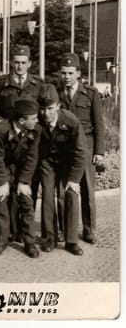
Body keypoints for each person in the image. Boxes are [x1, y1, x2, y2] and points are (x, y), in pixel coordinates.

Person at [0, 44, 43, 238]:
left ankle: (26, 232)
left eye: (23, 62)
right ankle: (11, 232)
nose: (19, 66)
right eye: (16, 62)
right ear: (11, 63)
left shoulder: (38, 84)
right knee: (9, 190)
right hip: (9, 142)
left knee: (27, 188)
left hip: (30, 142)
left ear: (29, 63)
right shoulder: (1, 84)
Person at [57, 53, 105, 244]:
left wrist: (99, 152)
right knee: (62, 192)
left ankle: (88, 229)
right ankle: (63, 229)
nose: (66, 77)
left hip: (86, 148)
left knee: (86, 190)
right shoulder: (57, 94)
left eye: (70, 73)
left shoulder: (90, 94)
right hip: (63, 149)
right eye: (63, 73)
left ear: (78, 73)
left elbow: (99, 124)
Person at [0, 99, 41, 258]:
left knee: (26, 201)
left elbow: (32, 158)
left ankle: (29, 242)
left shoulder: (35, 130)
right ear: (22, 120)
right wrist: (2, 183)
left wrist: (23, 182)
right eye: (34, 118)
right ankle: (0, 242)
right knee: (1, 200)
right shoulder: (0, 130)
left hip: (21, 169)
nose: (37, 120)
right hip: (2, 167)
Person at [38, 84, 86, 255]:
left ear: (58, 106)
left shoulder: (71, 121)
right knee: (48, 197)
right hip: (47, 162)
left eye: (50, 108)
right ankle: (50, 238)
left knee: (69, 195)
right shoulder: (36, 120)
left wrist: (73, 180)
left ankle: (71, 240)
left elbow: (81, 152)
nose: (46, 114)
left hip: (67, 163)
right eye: (43, 109)